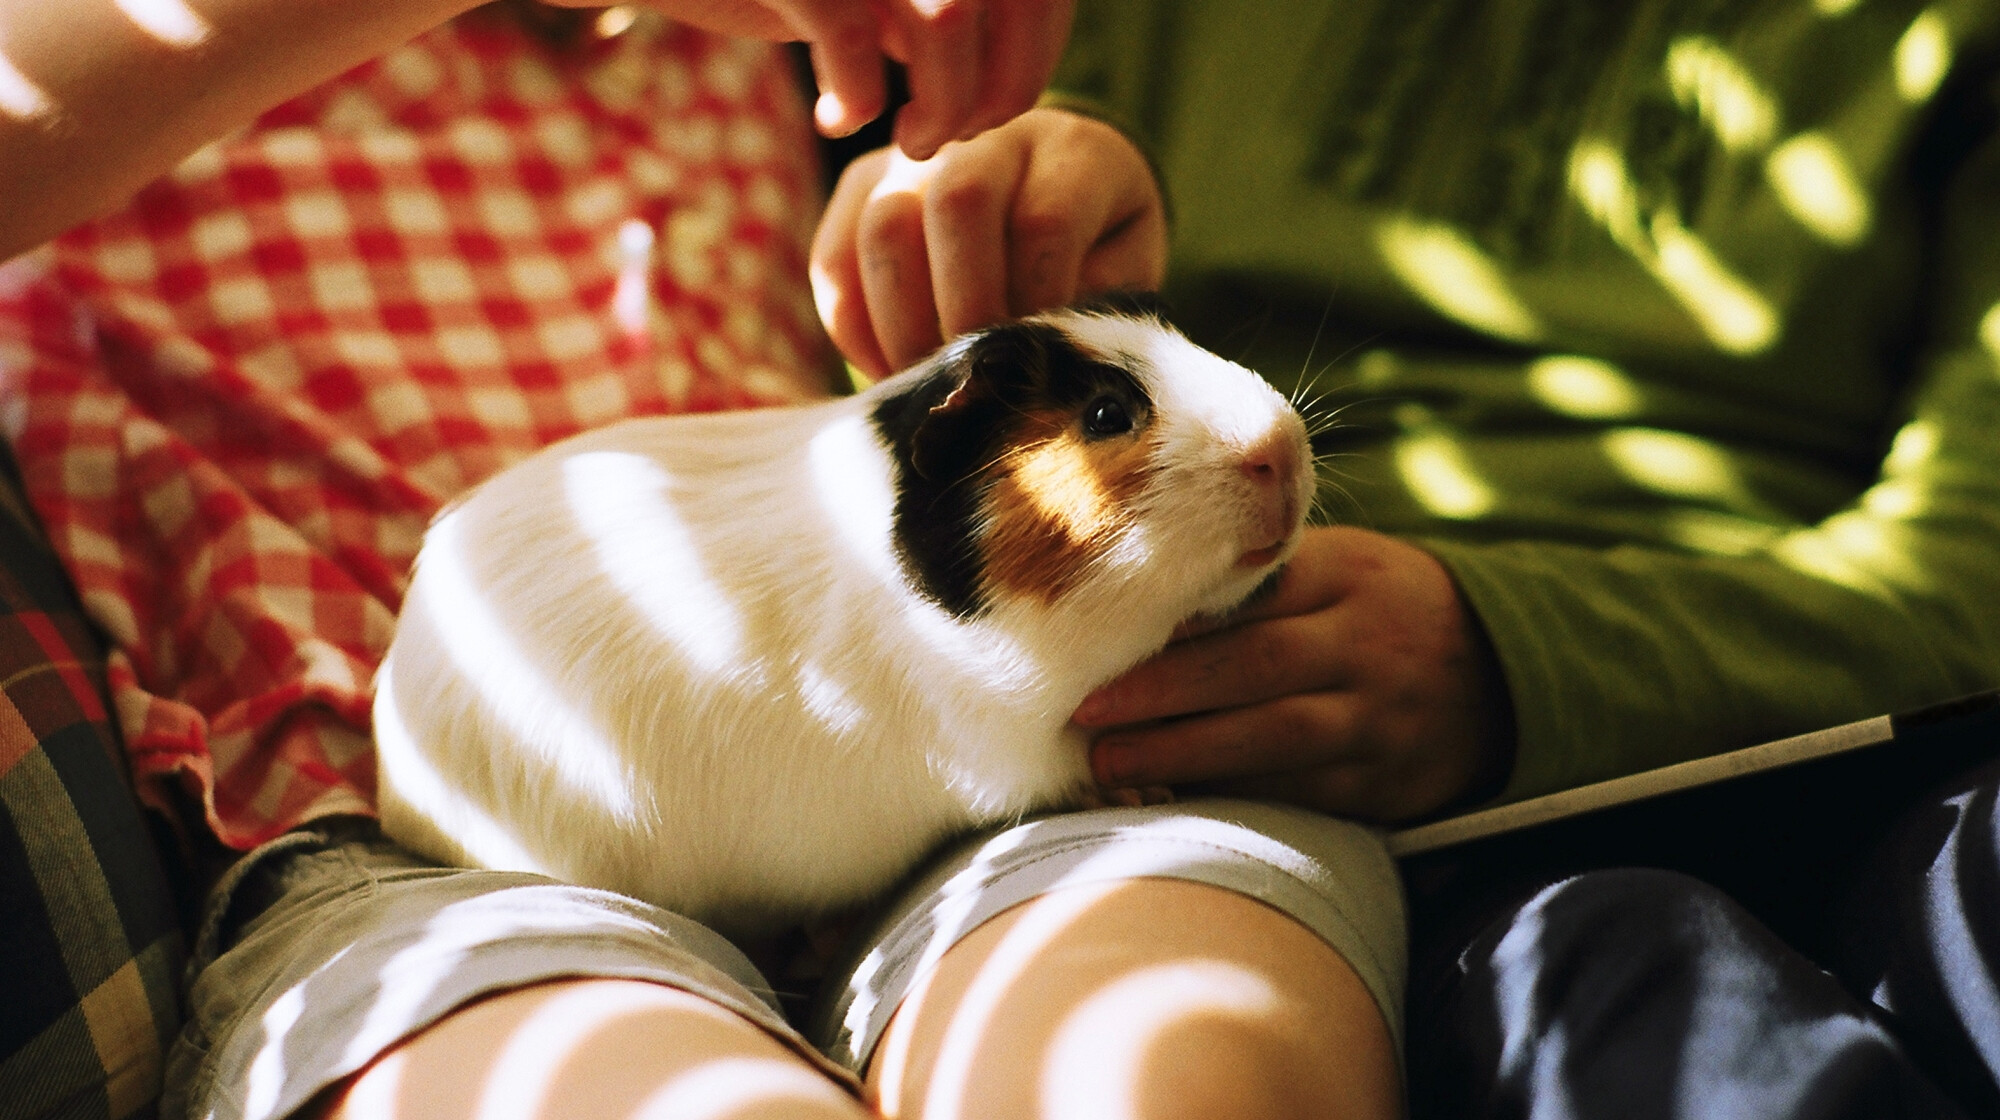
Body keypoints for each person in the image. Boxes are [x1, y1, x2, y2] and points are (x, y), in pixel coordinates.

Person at [0, 1, 1408, 1118]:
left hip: (975, 728)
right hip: (385, 821)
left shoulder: (764, 52)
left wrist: (1030, 172)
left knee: (1157, 1069)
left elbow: (950, 310)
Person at [812, 0, 2000, 1116]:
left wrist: (1507, 659)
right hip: (1312, 800)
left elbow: (1969, 567)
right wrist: (966, 244)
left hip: (1839, 742)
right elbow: (949, 483)